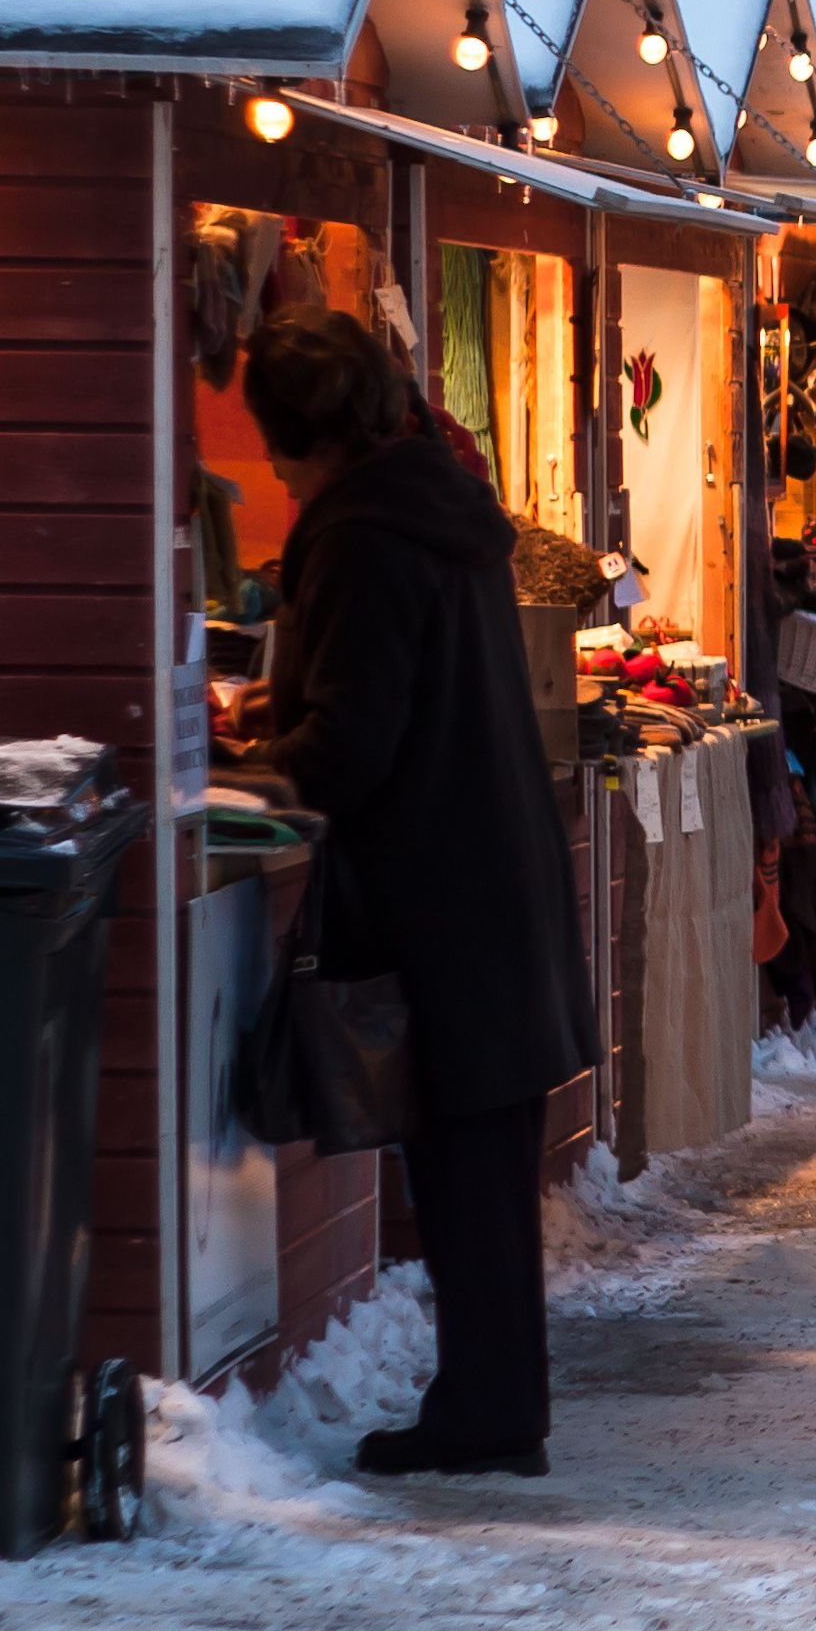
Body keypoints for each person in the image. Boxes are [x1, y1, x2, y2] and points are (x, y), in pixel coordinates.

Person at [232, 310, 592, 1478]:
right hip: (491, 871)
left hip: (440, 888)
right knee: (483, 1162)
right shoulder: (442, 510)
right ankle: (494, 1404)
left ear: (306, 438)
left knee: (464, 1169)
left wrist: (262, 762)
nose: (277, 472)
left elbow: (354, 740)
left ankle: (488, 1417)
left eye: (278, 447)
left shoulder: (361, 534)